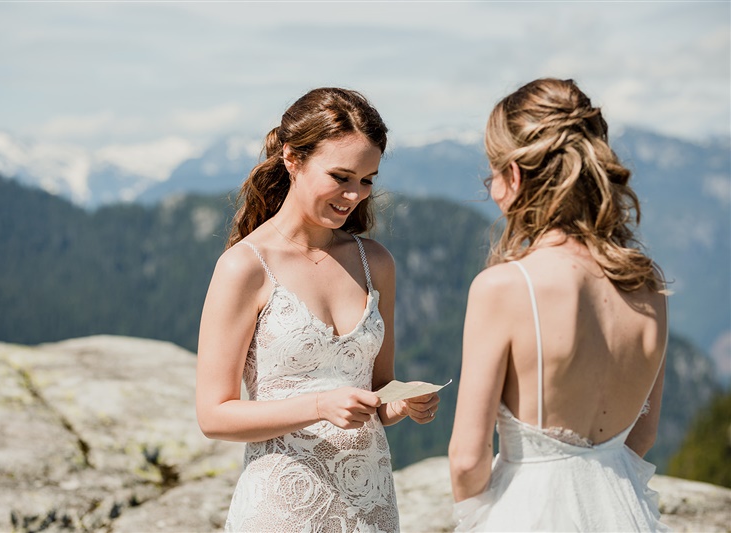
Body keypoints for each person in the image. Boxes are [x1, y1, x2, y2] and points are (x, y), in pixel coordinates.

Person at [195, 87, 440, 532]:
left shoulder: (376, 263)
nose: (355, 195)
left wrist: (401, 402)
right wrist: (320, 405)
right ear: (292, 159)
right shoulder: (244, 266)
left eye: (367, 180)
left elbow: (377, 389)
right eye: (341, 176)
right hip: (280, 508)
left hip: (370, 506)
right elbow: (214, 415)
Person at [448, 78, 670, 531]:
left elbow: (468, 459)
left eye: (493, 172)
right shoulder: (647, 286)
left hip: (527, 513)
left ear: (515, 174)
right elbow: (643, 435)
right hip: (623, 510)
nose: (491, 188)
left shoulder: (505, 287)